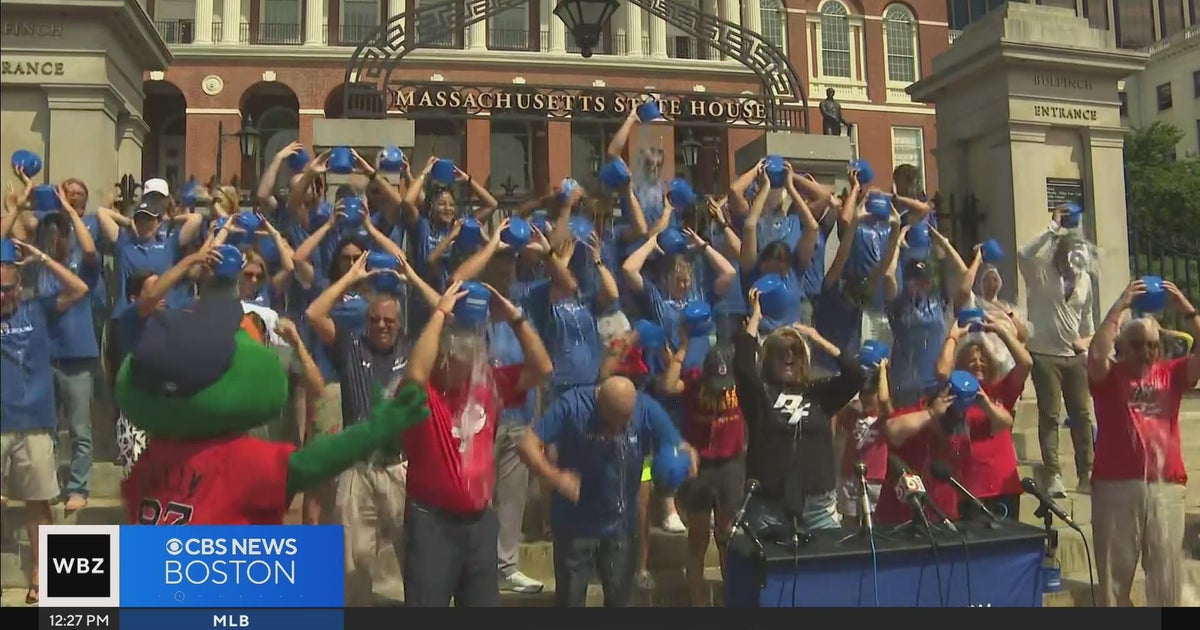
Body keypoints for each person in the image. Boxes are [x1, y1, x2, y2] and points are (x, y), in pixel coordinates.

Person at [401, 280, 552, 607]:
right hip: (432, 524)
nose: (468, 366)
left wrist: (515, 317)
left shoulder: (487, 384)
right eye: (457, 359)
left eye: (473, 357)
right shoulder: (422, 395)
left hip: (480, 522)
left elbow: (542, 368)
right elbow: (414, 372)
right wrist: (441, 311)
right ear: (441, 358)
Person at [518, 375, 697, 607]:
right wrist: (555, 477)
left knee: (621, 601)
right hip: (575, 525)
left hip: (619, 526)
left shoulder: (646, 408)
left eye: (625, 422)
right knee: (570, 601)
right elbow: (526, 444)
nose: (619, 429)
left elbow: (678, 444)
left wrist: (687, 457)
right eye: (613, 422)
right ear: (598, 399)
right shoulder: (571, 405)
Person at [305, 251, 415, 606]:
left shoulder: (412, 350)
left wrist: (410, 277)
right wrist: (351, 279)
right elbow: (313, 313)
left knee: (415, 560)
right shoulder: (351, 345)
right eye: (375, 319)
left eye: (389, 321)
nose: (382, 325)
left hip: (400, 467)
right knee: (353, 566)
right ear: (367, 320)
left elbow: (446, 313)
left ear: (399, 324)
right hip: (358, 468)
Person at [1086, 279, 1198, 607]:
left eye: (1151, 345)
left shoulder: (1173, 373)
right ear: (1121, 348)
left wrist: (1186, 309)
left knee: (1167, 580)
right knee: (1113, 584)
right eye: (1136, 345)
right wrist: (1120, 305)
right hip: (1116, 486)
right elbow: (1095, 353)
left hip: (1166, 485)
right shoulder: (1108, 376)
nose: (1146, 352)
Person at [1, 237, 90, 605]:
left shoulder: (37, 308)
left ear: (17, 285)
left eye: (6, 288)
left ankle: (41, 573)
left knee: (38, 503)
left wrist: (39, 257)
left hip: (35, 420)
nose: (1, 296)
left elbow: (80, 287)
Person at [735, 289, 863, 532]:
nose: (788, 356)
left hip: (818, 506)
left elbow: (855, 376)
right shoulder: (760, 395)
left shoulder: (818, 393)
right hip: (769, 506)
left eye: (794, 350)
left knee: (826, 567)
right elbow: (742, 366)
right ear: (768, 359)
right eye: (780, 352)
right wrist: (755, 318)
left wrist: (818, 339)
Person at [1018, 208, 1095, 496]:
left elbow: (1087, 320)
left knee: (1082, 414)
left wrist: (1085, 343)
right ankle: (1053, 474)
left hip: (1074, 357)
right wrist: (1052, 226)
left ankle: (1086, 472)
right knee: (1049, 415)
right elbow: (1024, 253)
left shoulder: (1085, 280)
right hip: (1044, 354)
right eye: (1067, 255)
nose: (1071, 262)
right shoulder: (1040, 272)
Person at [660, 344, 745, 606]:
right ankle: (697, 602)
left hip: (731, 464)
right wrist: (683, 349)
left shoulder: (740, 381)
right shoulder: (694, 381)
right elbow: (668, 386)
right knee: (698, 536)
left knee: (727, 536)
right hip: (701, 465)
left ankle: (732, 597)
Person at [934, 316, 1032, 520]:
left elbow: (1026, 363)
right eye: (972, 361)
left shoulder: (999, 392)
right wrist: (953, 336)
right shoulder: (952, 396)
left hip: (1002, 487)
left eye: (983, 360)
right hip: (968, 490)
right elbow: (942, 372)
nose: (978, 364)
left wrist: (1000, 331)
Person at [834, 357, 891, 522]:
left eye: (870, 393)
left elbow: (885, 399)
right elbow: (838, 408)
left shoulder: (885, 417)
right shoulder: (852, 412)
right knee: (849, 520)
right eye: (863, 392)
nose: (866, 397)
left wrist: (882, 371)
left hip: (875, 478)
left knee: (873, 521)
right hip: (849, 475)